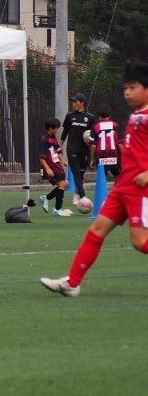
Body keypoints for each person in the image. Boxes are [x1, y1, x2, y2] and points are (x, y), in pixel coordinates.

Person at [42, 61, 148, 297]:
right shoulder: (135, 117)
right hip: (123, 188)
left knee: (140, 242)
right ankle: (72, 283)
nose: (127, 92)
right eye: (125, 88)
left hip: (141, 190)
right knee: (97, 230)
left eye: (132, 87)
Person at [60, 93, 96, 203]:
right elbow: (64, 133)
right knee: (76, 174)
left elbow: (93, 136)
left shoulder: (90, 118)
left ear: (82, 103)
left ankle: (77, 194)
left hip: (84, 151)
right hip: (72, 150)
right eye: (73, 102)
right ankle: (84, 197)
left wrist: (90, 141)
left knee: (81, 175)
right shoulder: (69, 116)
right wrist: (59, 147)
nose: (73, 104)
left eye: (76, 102)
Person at [38, 117, 72, 216]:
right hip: (50, 166)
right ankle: (57, 210)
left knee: (66, 183)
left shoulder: (53, 138)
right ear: (50, 128)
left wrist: (62, 160)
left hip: (56, 165)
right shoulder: (44, 140)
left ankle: (46, 198)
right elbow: (42, 157)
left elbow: (58, 150)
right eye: (56, 128)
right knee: (62, 184)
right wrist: (47, 168)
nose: (57, 130)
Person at [91, 105, 121, 180]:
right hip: (114, 156)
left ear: (98, 116)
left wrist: (92, 159)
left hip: (101, 157)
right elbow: (120, 143)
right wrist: (123, 157)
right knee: (118, 178)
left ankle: (103, 192)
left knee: (101, 179)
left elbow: (93, 146)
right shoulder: (116, 125)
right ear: (110, 115)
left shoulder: (95, 126)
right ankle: (117, 191)